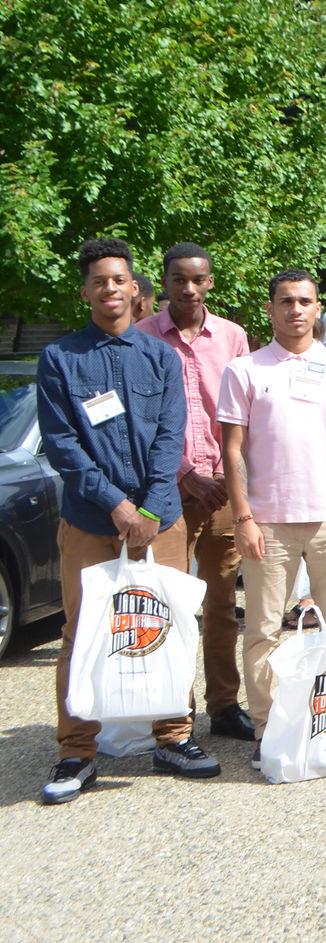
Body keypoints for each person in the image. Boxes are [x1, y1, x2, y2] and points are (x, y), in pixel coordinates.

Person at [37, 238, 219, 804]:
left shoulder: (159, 356)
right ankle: (76, 750)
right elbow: (63, 444)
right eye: (99, 281)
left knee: (166, 627)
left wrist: (143, 508)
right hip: (92, 520)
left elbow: (172, 437)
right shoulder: (60, 359)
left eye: (120, 280)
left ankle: (173, 737)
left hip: (160, 520)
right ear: (86, 291)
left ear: (135, 288)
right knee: (82, 632)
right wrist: (116, 505)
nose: (110, 289)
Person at [219, 269, 326, 765]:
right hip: (267, 520)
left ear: (316, 307)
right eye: (286, 301)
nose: (296, 310)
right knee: (263, 630)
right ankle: (269, 728)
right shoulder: (244, 370)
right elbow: (233, 449)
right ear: (270, 308)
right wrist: (242, 517)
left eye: (305, 301)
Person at [135, 242, 255, 741]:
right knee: (169, 604)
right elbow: (140, 421)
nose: (188, 288)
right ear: (163, 282)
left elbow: (247, 414)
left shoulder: (231, 336)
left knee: (222, 604)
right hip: (167, 490)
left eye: (197, 279)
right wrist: (185, 473)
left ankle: (225, 706)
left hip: (225, 492)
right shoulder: (141, 338)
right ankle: (174, 712)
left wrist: (233, 478)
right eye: (178, 279)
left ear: (210, 282)